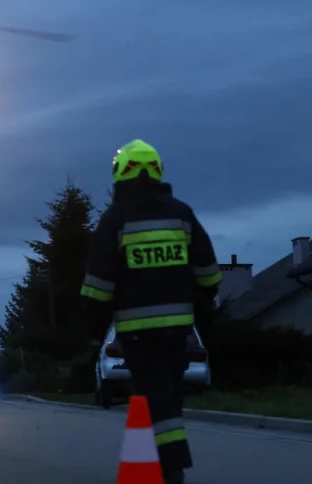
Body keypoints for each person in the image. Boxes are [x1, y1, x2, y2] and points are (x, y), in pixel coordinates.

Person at [80, 139, 222, 484]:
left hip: (138, 331)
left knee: (156, 399)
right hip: (180, 331)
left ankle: (172, 468)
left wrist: (93, 334)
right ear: (157, 170)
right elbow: (209, 274)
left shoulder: (116, 220)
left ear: (119, 174)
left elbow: (98, 286)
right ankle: (165, 465)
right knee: (168, 398)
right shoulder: (182, 214)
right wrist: (202, 314)